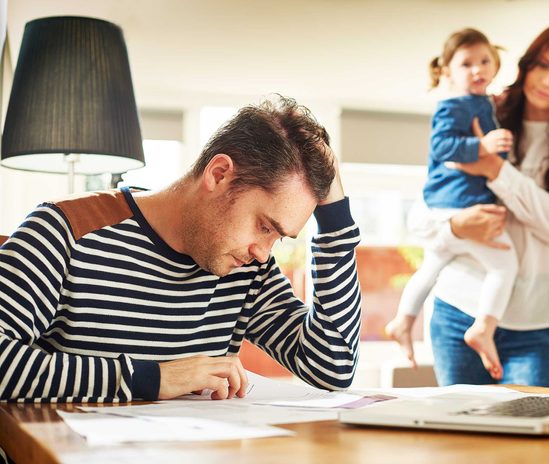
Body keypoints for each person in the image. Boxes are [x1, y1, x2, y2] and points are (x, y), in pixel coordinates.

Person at [0, 96, 361, 403]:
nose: (264, 253)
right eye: (264, 226)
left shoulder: (247, 270)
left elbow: (332, 368)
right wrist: (153, 379)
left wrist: (335, 225)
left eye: (277, 237)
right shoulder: (65, 229)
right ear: (219, 174)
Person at [399, 23, 549, 388]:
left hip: (538, 324)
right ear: (525, 66)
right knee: (463, 441)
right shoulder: (480, 115)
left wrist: (495, 169)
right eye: (542, 65)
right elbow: (420, 215)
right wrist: (456, 227)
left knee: (528, 437)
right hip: (460, 311)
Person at [385, 28, 517, 380]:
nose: (478, 69)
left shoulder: (483, 102)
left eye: (485, 61)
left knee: (434, 263)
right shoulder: (453, 105)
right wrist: (484, 146)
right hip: (455, 202)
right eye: (466, 64)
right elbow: (442, 147)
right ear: (447, 72)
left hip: (451, 203)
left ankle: (403, 320)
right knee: (505, 265)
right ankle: (483, 328)